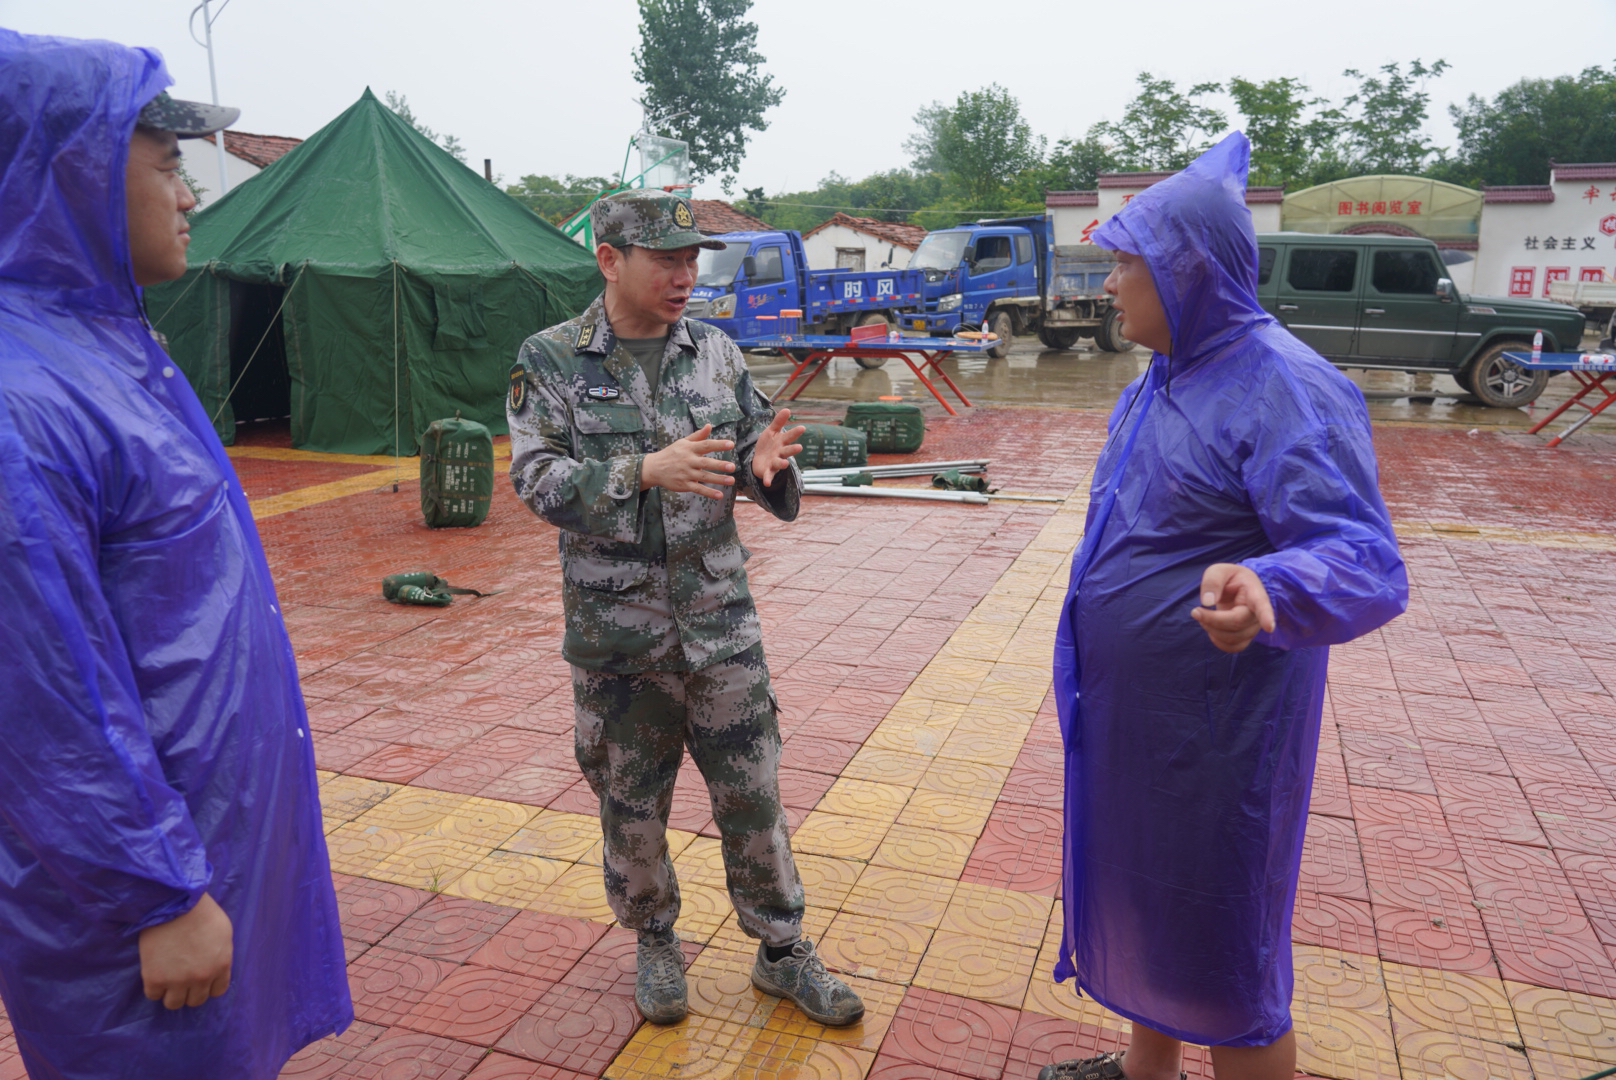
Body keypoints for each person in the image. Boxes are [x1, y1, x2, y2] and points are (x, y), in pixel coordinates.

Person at [0, 30, 352, 1079]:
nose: (194, 192)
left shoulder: (108, 345)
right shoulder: (22, 398)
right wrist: (153, 892)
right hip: (141, 895)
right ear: (67, 170)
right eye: (165, 163)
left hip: (205, 839)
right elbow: (38, 695)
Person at [1043, 133, 1407, 1080]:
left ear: (1187, 269)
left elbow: (1365, 557)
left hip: (1221, 735)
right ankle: (1144, 1072)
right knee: (1146, 901)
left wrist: (1274, 585)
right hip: (1135, 723)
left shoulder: (1287, 385)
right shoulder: (1161, 379)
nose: (1110, 283)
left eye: (1126, 263)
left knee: (1224, 945)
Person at [507, 190, 864, 1028]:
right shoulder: (553, 359)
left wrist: (764, 468)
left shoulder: (715, 353)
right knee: (631, 802)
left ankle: (782, 950)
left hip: (721, 626)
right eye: (665, 259)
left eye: (691, 259)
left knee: (754, 795)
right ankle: (655, 940)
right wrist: (639, 472)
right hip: (618, 638)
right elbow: (535, 481)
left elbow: (745, 446)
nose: (684, 275)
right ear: (609, 260)